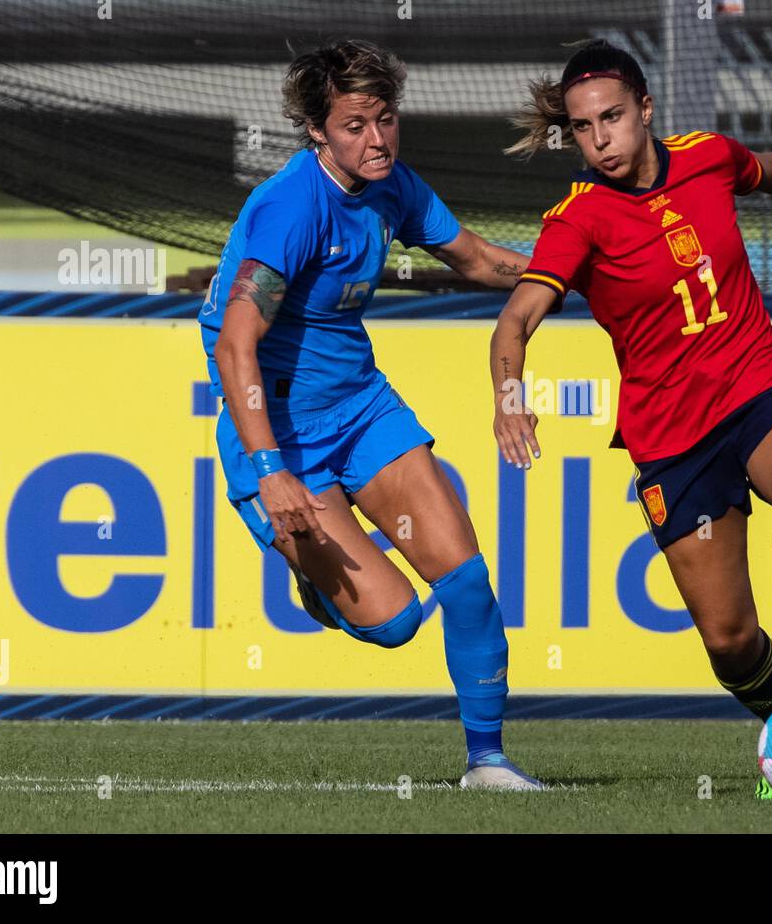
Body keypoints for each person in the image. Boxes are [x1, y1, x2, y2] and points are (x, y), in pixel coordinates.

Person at [491, 39, 772, 799]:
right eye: (582, 127)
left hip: (761, 384)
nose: (599, 138)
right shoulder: (579, 219)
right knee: (730, 639)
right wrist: (509, 392)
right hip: (673, 440)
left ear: (646, 109)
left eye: (612, 117)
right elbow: (515, 320)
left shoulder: (706, 157)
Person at [199, 39, 541, 790]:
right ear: (318, 130)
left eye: (386, 119)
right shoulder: (291, 206)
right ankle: (318, 582)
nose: (377, 139)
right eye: (355, 125)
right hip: (280, 436)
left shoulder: (392, 186)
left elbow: (480, 260)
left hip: (361, 408)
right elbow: (234, 348)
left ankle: (488, 762)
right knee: (392, 624)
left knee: (467, 583)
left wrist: (575, 264)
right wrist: (270, 472)